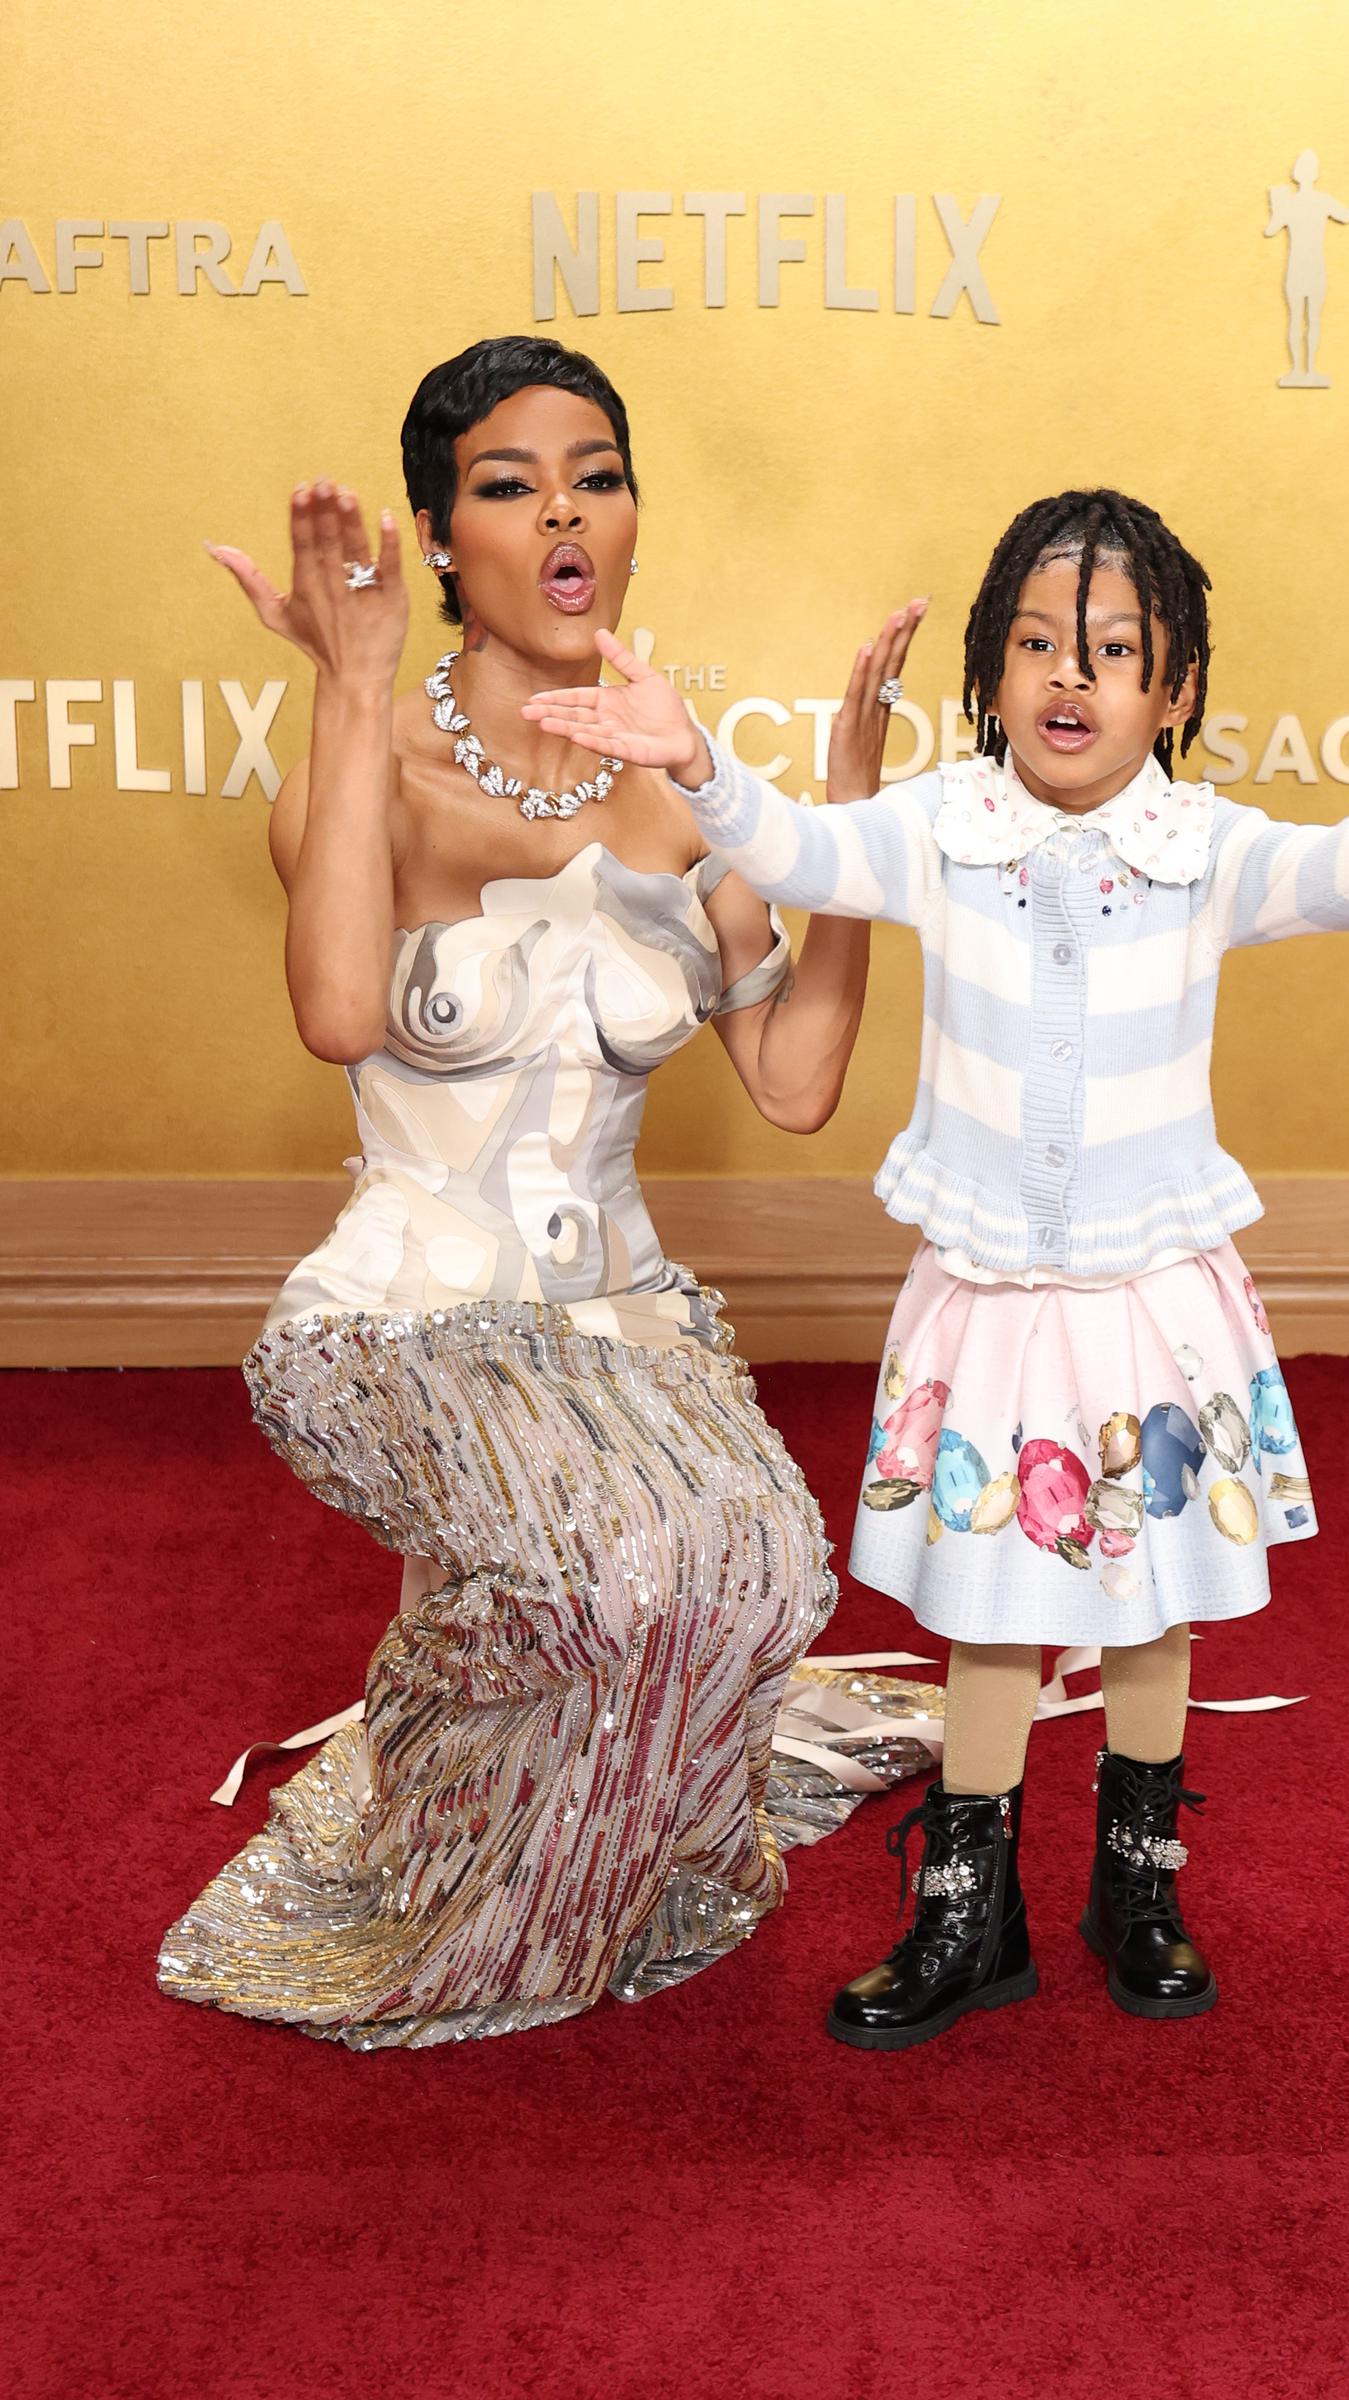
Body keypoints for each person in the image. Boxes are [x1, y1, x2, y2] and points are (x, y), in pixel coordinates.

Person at [522, 483, 1349, 2050]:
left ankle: (1135, 1881)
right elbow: (803, 849)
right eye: (1034, 645)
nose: (1069, 679)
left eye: (1111, 650)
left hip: (1150, 1292)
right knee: (998, 1599)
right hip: (1000, 1291)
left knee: (1153, 1603)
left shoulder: (1201, 846)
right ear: (992, 677)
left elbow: (1336, 877)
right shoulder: (946, 829)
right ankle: (969, 1910)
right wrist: (697, 762)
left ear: (1177, 688)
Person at [156, 335, 924, 2050]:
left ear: (633, 518)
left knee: (762, 1574)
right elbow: (341, 1014)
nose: (564, 510)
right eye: (509, 484)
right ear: (439, 539)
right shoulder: (375, 772)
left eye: (597, 474)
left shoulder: (684, 794)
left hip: (622, 1323)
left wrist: (849, 838)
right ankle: (445, 1817)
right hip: (408, 1324)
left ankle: (610, 1826)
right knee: (614, 1573)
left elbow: (794, 1088)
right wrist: (351, 687)